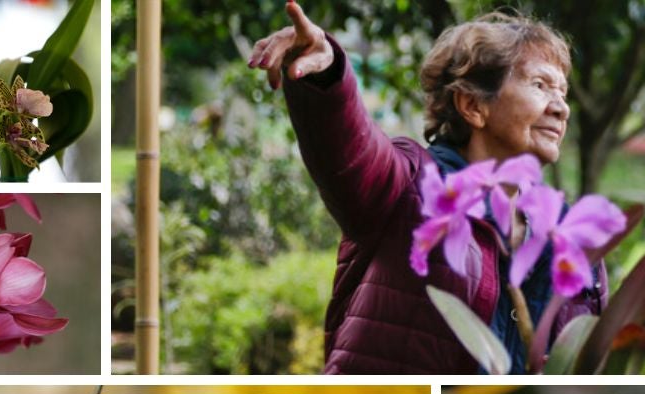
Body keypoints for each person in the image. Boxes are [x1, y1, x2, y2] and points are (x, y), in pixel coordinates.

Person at [249, 2, 604, 374]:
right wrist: (327, 76)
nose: (561, 108)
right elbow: (351, 150)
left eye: (562, 92)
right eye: (540, 85)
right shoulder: (412, 185)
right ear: (472, 105)